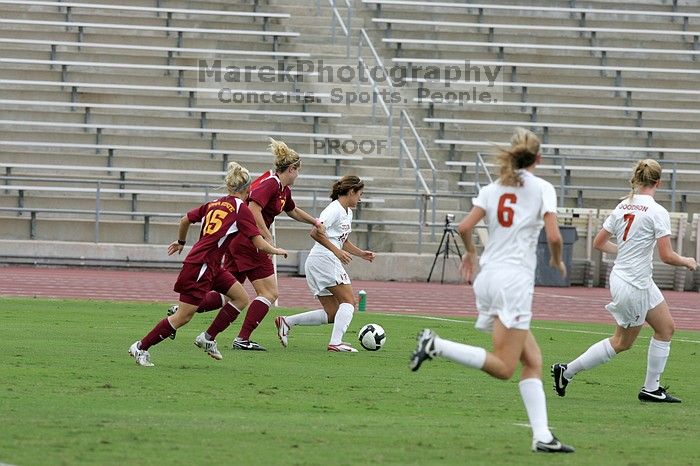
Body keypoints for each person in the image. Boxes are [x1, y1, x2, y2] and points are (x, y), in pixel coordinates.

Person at [409, 128, 575, 453]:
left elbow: (464, 227)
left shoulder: (492, 188)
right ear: (538, 159)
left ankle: (542, 436)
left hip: (488, 278)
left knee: (534, 360)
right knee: (504, 367)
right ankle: (435, 345)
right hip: (514, 283)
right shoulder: (542, 188)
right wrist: (557, 262)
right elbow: (555, 237)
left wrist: (470, 254)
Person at [551, 159, 697, 402]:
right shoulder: (657, 211)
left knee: (666, 328)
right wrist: (687, 261)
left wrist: (626, 251)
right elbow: (667, 256)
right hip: (633, 283)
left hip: (635, 279)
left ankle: (651, 388)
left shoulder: (622, 207)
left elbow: (598, 243)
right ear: (658, 182)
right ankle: (566, 371)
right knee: (622, 342)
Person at [166, 139, 325, 351]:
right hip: (249, 243)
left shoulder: (282, 188)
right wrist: (267, 238)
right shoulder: (270, 184)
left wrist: (314, 221)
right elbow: (252, 209)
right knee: (269, 293)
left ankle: (182, 311)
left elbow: (292, 210)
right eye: (297, 171)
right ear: (291, 169)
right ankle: (241, 338)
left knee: (230, 293)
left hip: (237, 241)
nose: (298, 175)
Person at [128, 162, 287, 367]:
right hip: (201, 266)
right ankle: (140, 347)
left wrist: (181, 242)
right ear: (248, 189)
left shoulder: (214, 203)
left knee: (240, 297)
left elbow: (185, 219)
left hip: (211, 264)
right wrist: (276, 250)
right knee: (183, 317)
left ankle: (208, 338)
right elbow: (258, 242)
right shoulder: (241, 209)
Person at [274, 175, 375, 352]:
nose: (361, 198)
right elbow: (315, 232)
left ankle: (286, 322)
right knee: (349, 302)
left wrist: (361, 254)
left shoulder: (347, 212)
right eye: (360, 194)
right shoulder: (334, 209)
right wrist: (336, 251)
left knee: (333, 313)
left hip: (320, 261)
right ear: (351, 192)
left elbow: (341, 240)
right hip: (324, 259)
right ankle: (336, 343)